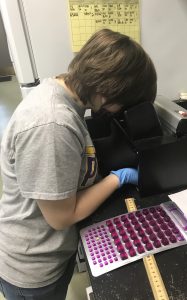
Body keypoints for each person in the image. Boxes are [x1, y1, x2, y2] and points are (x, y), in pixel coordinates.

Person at [0, 28, 157, 300]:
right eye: (123, 104)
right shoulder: (52, 124)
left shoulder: (63, 94)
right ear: (109, 90)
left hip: (50, 253)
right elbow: (61, 217)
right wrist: (117, 178)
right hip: (33, 268)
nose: (119, 112)